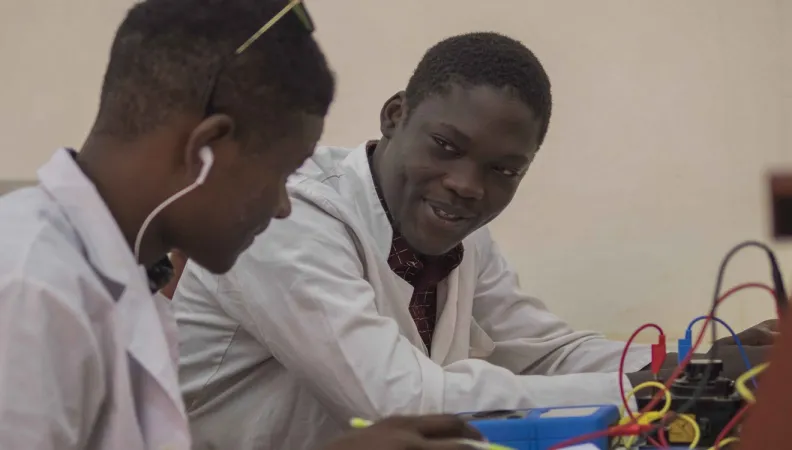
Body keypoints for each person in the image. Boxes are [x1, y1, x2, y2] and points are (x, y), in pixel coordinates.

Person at [172, 31, 778, 449]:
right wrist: (658, 385)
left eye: (503, 170)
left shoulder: (455, 231)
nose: (466, 185)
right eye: (446, 146)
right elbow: (398, 400)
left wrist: (707, 364)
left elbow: (544, 351)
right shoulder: (290, 216)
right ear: (394, 115)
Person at [0, 0, 481, 449]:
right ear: (204, 149)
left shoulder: (126, 280)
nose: (282, 207)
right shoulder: (31, 289)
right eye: (279, 174)